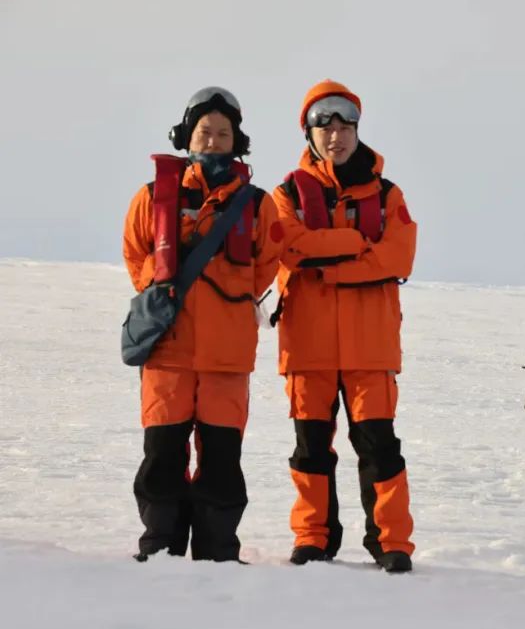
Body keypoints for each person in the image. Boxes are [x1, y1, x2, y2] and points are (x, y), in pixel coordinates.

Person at [122, 87, 282, 562]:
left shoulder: (256, 204)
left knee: (221, 459)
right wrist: (162, 285)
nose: (213, 141)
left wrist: (227, 298)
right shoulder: (153, 196)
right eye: (205, 131)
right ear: (187, 136)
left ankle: (217, 552)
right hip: (167, 352)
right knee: (162, 456)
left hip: (226, 357)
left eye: (223, 133)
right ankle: (160, 547)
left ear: (237, 141)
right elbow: (135, 254)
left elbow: (267, 264)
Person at [270, 80, 417, 572]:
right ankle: (313, 538)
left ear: (357, 129)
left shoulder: (389, 194)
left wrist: (329, 264)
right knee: (310, 448)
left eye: (345, 124)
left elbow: (399, 255)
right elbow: (288, 245)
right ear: (308, 133)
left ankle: (391, 542)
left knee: (380, 448)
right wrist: (359, 244)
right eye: (323, 124)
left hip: (370, 347)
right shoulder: (286, 193)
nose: (336, 134)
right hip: (307, 345)